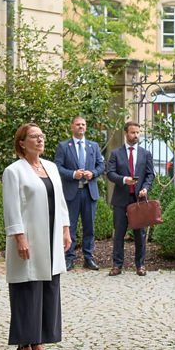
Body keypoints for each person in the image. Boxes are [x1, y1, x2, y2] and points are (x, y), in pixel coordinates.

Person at [2, 123, 70, 350]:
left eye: (42, 136)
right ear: (22, 142)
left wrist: (65, 229)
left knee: (49, 286)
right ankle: (24, 343)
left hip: (50, 236)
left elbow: (60, 201)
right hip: (29, 237)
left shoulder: (50, 167)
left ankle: (40, 339)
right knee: (27, 288)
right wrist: (19, 237)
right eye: (34, 136)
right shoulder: (14, 171)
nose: (40, 140)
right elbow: (11, 208)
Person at [55, 115, 104, 272]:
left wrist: (93, 173)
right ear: (72, 127)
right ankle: (69, 258)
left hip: (89, 192)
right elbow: (57, 167)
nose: (80, 127)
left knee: (89, 227)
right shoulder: (64, 146)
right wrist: (72, 174)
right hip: (72, 193)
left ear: (86, 127)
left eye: (83, 124)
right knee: (70, 226)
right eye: (77, 124)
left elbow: (101, 165)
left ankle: (88, 258)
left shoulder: (93, 146)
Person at [105, 121, 153, 276]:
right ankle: (117, 265)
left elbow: (150, 174)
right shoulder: (116, 153)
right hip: (120, 200)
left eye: (138, 132)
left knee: (140, 235)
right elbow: (110, 173)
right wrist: (124, 179)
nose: (136, 135)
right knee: (119, 234)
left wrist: (145, 188)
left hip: (138, 200)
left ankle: (140, 265)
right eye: (133, 132)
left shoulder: (146, 153)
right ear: (125, 133)